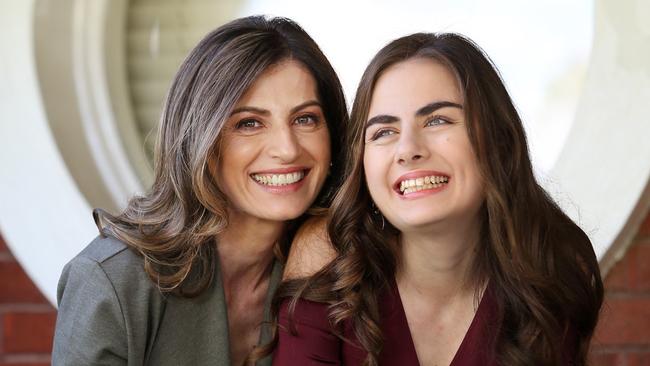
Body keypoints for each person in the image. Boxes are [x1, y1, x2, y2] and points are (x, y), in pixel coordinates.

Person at [271, 33, 603, 365]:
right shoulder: (327, 260)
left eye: (438, 120)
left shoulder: (549, 270)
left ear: (498, 140)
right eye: (384, 132)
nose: (408, 149)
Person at [52, 15, 347, 366]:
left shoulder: (337, 262)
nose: (287, 148)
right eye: (249, 123)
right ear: (200, 140)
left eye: (305, 119)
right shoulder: (111, 281)